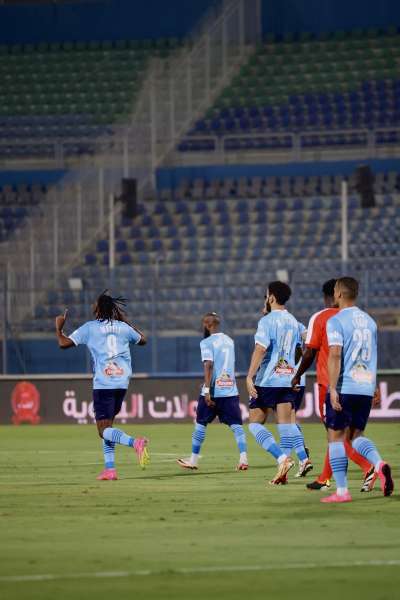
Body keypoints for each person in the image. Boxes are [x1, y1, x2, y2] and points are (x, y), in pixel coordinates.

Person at [55, 291, 149, 480]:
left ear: (98, 308)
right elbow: (143, 340)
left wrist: (59, 328)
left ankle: (135, 443)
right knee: (109, 427)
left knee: (102, 430)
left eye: (94, 303)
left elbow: (63, 344)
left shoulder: (90, 328)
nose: (92, 305)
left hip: (104, 383)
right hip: (122, 381)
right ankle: (110, 469)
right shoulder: (123, 327)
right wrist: (124, 321)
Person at [292, 279, 373, 492]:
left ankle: (370, 467)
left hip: (330, 385)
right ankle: (325, 477)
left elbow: (309, 352)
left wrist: (297, 374)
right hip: (357, 383)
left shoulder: (320, 317)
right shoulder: (357, 319)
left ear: (330, 295)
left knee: (336, 434)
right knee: (341, 433)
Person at [322, 277, 394, 503]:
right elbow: (372, 356)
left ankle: (342, 491)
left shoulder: (336, 320)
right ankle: (379, 464)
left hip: (345, 386)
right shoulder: (370, 322)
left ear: (340, 294)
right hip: (364, 387)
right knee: (355, 436)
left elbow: (334, 354)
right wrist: (373, 385)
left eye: (334, 291)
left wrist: (332, 388)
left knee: (335, 438)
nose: (334, 295)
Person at [246, 281, 311, 485]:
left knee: (255, 424)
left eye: (266, 295)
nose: (266, 299)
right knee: (286, 425)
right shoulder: (293, 321)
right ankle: (286, 470)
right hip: (288, 378)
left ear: (271, 297)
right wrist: (294, 366)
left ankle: (283, 459)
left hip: (268, 380)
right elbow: (306, 344)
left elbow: (260, 348)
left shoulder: (267, 321)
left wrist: (249, 377)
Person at [178, 312, 248, 471]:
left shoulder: (206, 342)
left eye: (204, 323)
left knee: (201, 423)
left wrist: (208, 389)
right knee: (237, 425)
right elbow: (224, 365)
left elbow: (208, 365)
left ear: (208, 325)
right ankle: (243, 459)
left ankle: (194, 460)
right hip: (230, 390)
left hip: (213, 392)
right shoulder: (230, 341)